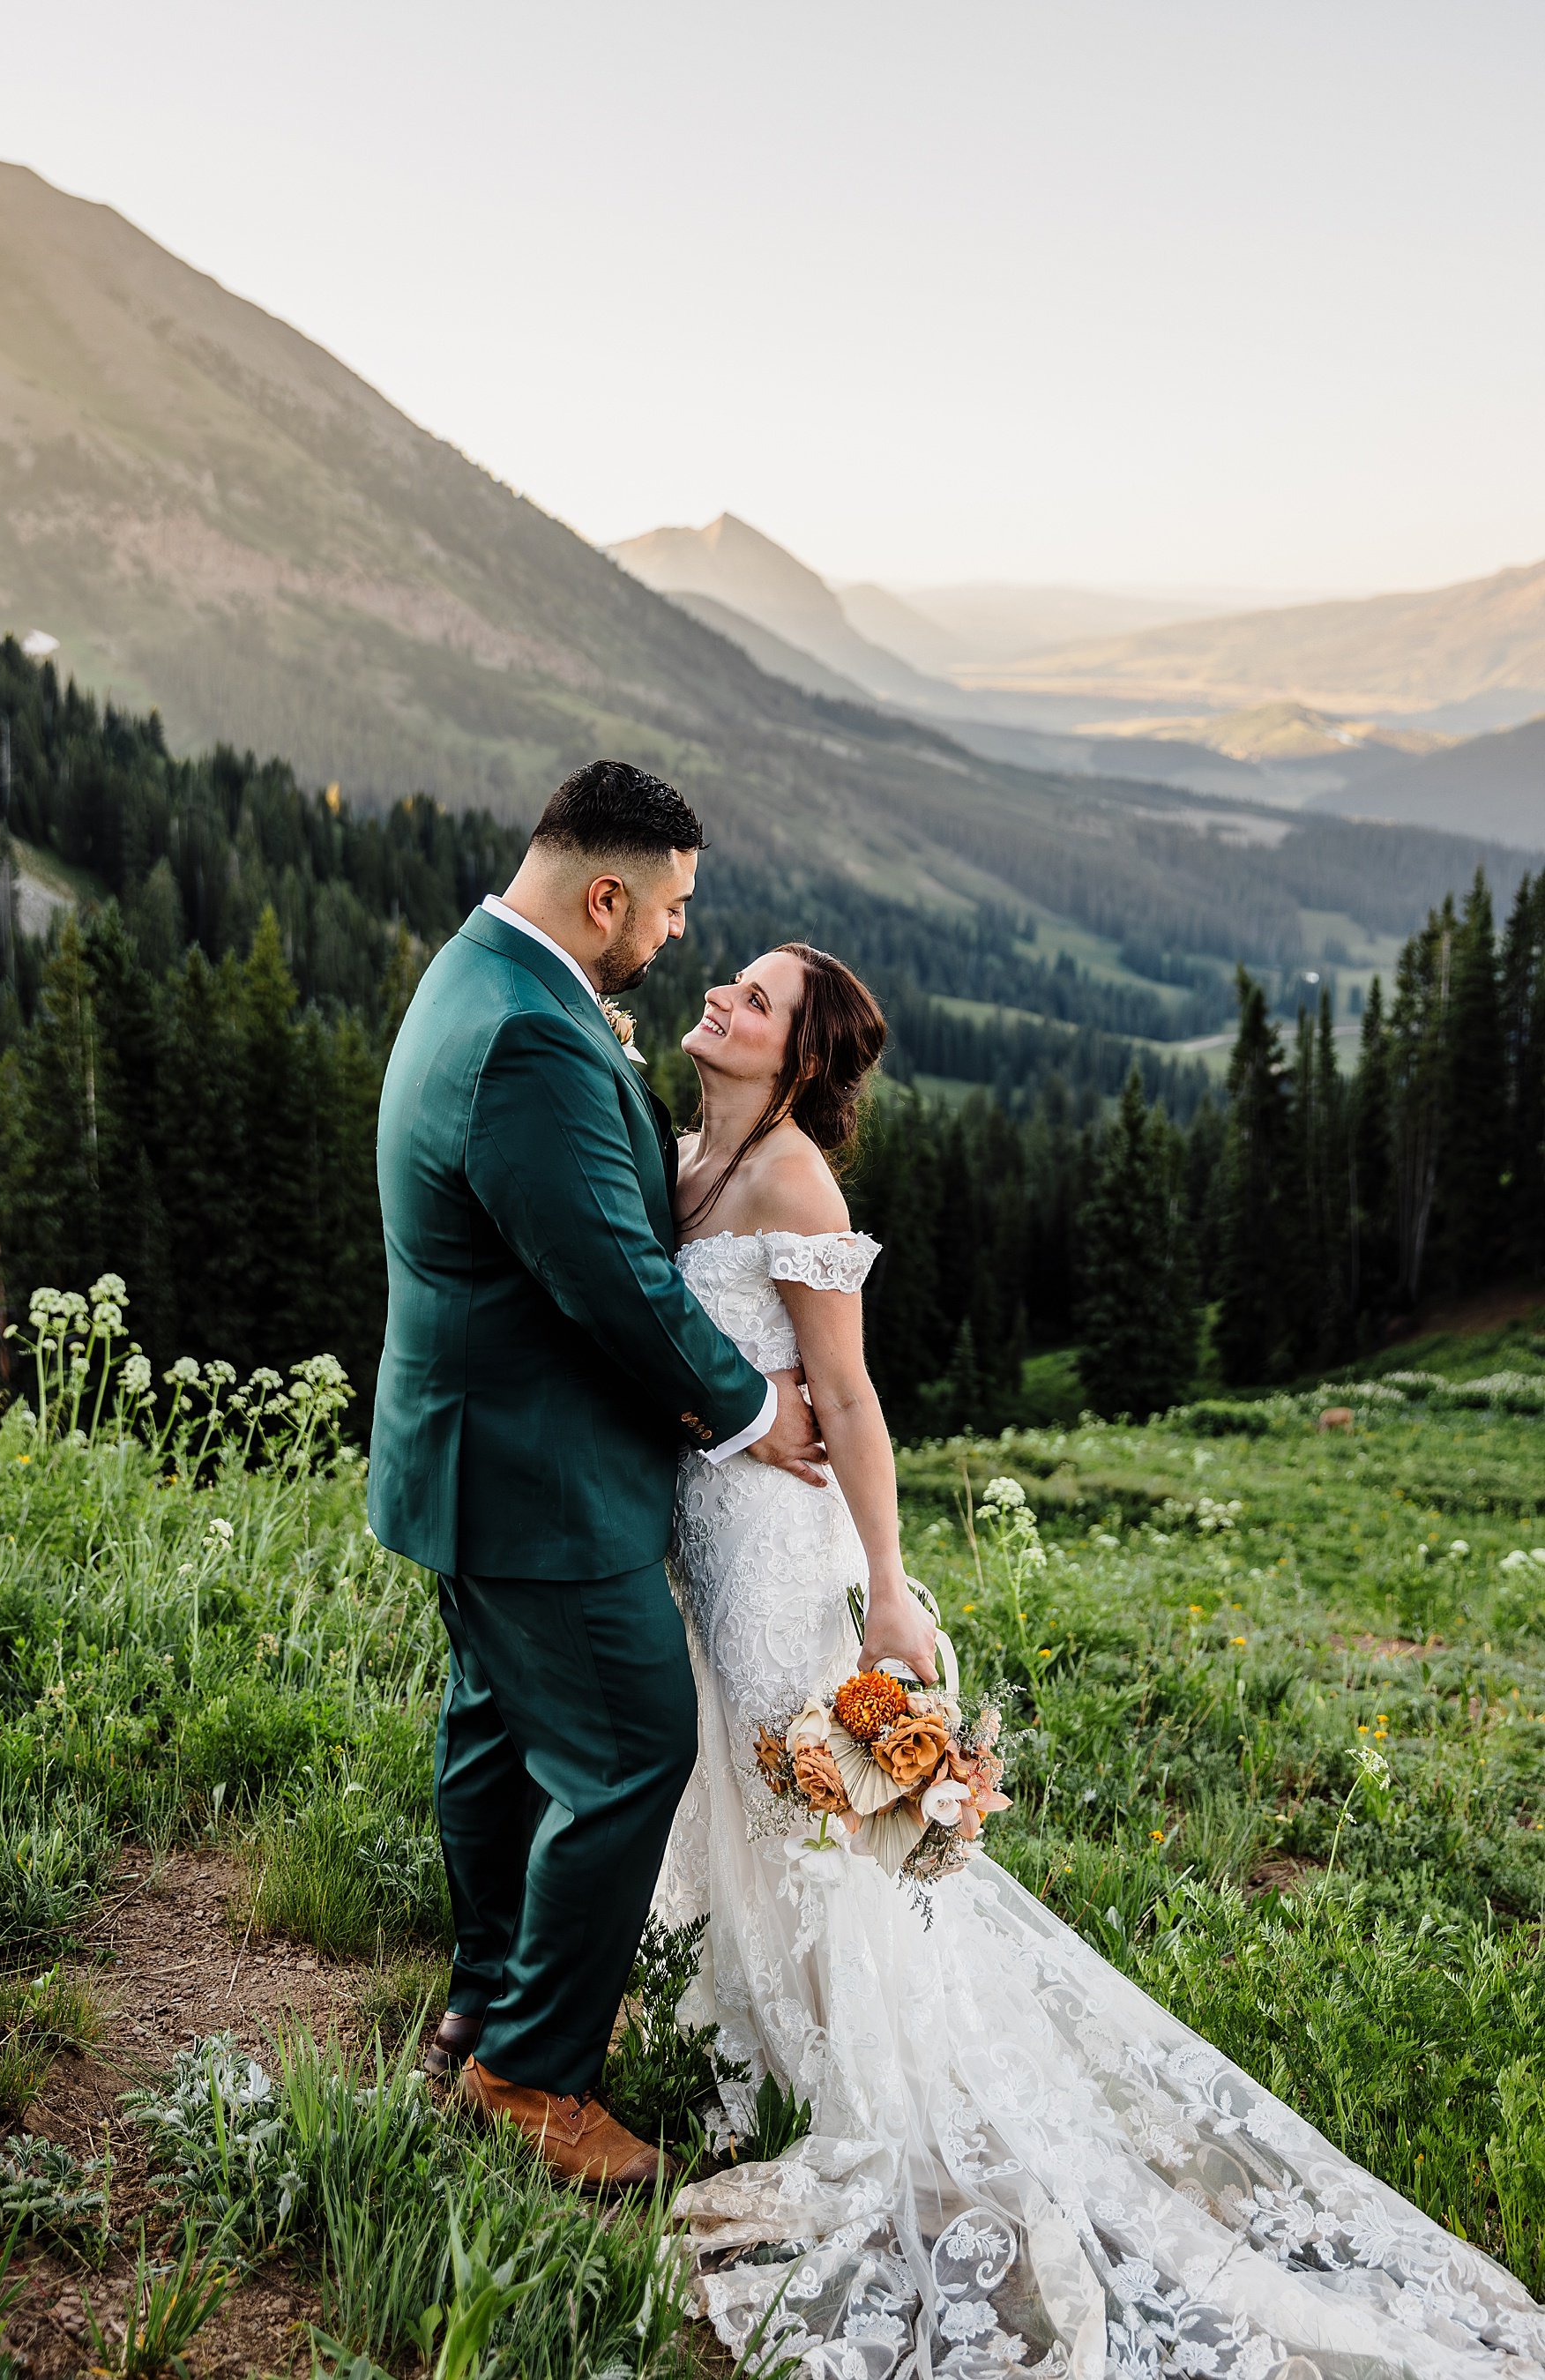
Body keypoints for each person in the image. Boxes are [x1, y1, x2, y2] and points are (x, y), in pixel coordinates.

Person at [655, 943, 1545, 2379]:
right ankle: (737, 2040)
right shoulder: (690, 1149)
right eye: (732, 983)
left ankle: (848, 2078)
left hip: (776, 1543)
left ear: (798, 1058)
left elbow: (852, 1396)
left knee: (800, 1797)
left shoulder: (791, 1182)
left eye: (753, 1000)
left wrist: (889, 1591)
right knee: (734, 1781)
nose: (720, 1000)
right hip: (703, 1524)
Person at [366, 761, 826, 2193]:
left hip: (474, 1452)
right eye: (671, 908)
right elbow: (616, 1285)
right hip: (535, 1475)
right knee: (629, 1747)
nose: (679, 938)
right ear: (604, 893)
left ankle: (484, 2002)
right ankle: (532, 2076)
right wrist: (757, 1411)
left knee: (499, 1731)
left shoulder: (488, 976)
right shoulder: (530, 1037)